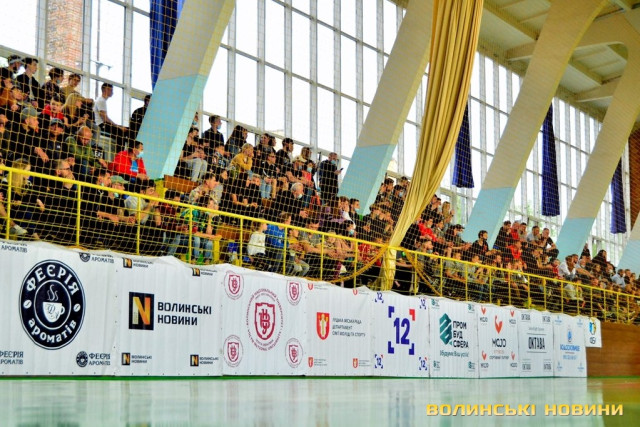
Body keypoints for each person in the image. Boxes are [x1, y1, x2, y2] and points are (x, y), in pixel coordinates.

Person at [94, 82, 129, 151]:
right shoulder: (101, 100)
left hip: (104, 123)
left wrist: (119, 126)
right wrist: (118, 127)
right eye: (111, 90)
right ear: (106, 90)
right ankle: (119, 154)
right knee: (120, 131)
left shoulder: (102, 100)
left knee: (127, 129)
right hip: (101, 125)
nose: (112, 92)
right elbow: (105, 119)